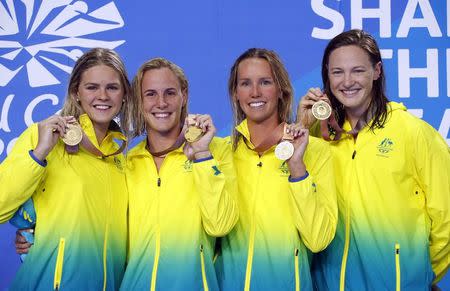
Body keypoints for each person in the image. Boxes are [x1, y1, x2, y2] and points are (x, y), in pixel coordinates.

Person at [297, 29, 450, 290]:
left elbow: (445, 217)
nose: (347, 81)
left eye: (358, 70)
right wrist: (300, 126)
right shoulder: (316, 137)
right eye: (337, 72)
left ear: (376, 71)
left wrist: (415, 275)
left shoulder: (414, 133)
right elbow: (290, 203)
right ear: (326, 76)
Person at [0, 47, 133, 290]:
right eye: (92, 87)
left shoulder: (122, 160)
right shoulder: (44, 138)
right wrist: (39, 153)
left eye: (112, 87)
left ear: (124, 95)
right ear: (76, 92)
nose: (102, 96)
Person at [215, 48, 337, 291]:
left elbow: (318, 239)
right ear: (235, 93)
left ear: (281, 90)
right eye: (245, 83)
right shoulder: (220, 152)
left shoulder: (315, 151)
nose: (255, 92)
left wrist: (297, 169)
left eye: (265, 82)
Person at [119, 58, 238, 291]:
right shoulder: (127, 163)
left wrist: (202, 154)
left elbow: (220, 225)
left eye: (170, 93)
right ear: (138, 100)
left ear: (183, 95)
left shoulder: (216, 151)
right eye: (150, 94)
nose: (161, 103)